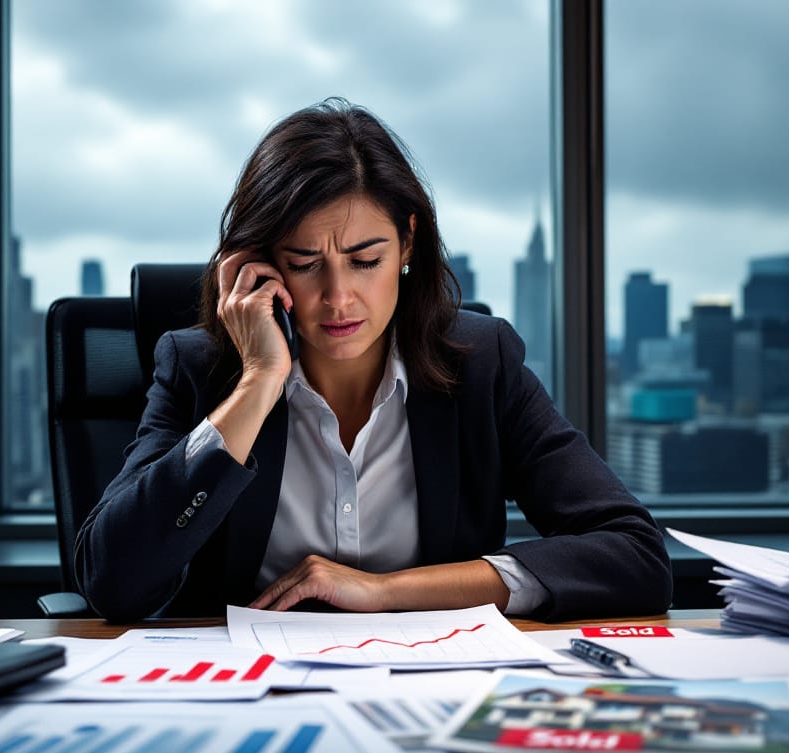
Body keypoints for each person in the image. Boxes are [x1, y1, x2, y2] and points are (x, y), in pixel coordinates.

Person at [76, 98, 672, 622]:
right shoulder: (197, 369)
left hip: (436, 687)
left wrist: (387, 592)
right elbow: (113, 584)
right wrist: (259, 381)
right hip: (248, 690)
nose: (338, 298)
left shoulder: (481, 364)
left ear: (407, 244)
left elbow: (633, 554)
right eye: (306, 264)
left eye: (365, 260)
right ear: (259, 264)